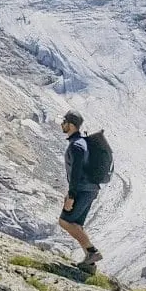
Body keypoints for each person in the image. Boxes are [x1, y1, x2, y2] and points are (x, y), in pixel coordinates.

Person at [57, 111, 101, 271]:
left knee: (65, 221)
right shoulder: (81, 143)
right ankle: (90, 263)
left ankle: (92, 251)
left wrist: (71, 195)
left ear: (71, 125)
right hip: (90, 189)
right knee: (76, 224)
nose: (62, 124)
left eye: (64, 122)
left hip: (83, 189)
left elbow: (76, 172)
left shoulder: (76, 146)